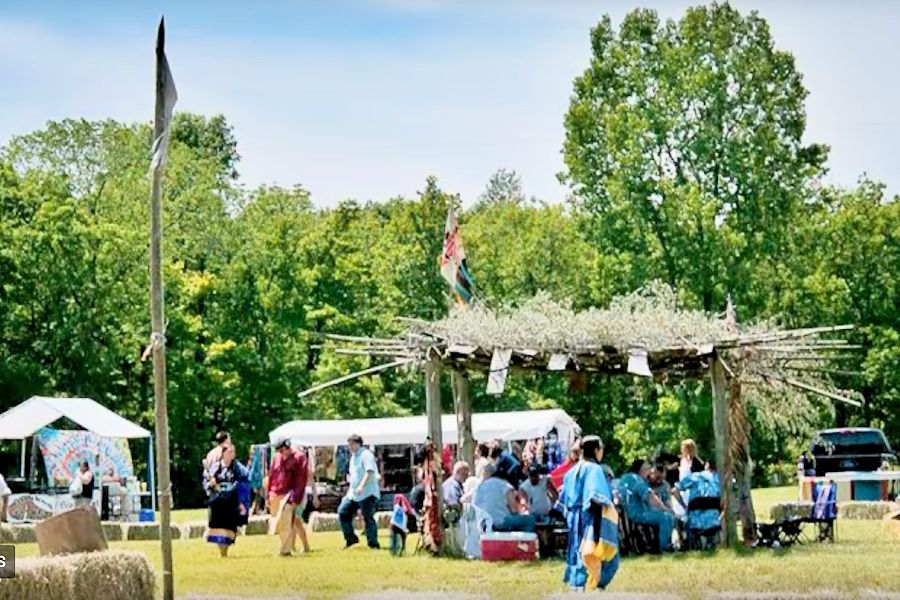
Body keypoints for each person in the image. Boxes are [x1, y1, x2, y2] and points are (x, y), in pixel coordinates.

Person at [560, 435, 619, 592]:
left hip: (573, 517)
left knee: (576, 550)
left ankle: (577, 585)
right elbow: (595, 495)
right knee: (598, 552)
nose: (602, 453)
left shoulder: (570, 472)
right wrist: (611, 507)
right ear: (595, 450)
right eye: (601, 449)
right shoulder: (595, 469)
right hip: (590, 516)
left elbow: (562, 498)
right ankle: (595, 585)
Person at [619, 460, 676, 553]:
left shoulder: (624, 478)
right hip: (638, 513)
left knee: (662, 515)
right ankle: (664, 547)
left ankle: (655, 544)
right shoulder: (636, 479)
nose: (649, 472)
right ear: (640, 469)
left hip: (625, 515)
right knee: (666, 517)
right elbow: (650, 496)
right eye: (647, 469)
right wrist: (665, 509)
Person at [204, 443, 249, 557]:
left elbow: (244, 482)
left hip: (231, 501)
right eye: (229, 452)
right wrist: (211, 484)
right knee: (218, 526)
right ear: (223, 453)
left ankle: (226, 550)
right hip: (218, 502)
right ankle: (222, 552)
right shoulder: (215, 467)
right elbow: (206, 482)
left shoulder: (238, 468)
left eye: (233, 452)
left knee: (229, 526)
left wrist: (241, 501)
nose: (231, 454)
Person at [267, 439, 309, 556]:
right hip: (275, 493)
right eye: (278, 451)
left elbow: (301, 480)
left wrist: (295, 499)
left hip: (290, 494)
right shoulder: (276, 458)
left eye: (282, 450)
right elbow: (271, 476)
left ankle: (285, 550)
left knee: (287, 521)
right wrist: (268, 495)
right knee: (282, 523)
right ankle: (291, 546)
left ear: (288, 447)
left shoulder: (299, 458)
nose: (280, 453)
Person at [338, 434, 380, 549]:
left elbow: (369, 471)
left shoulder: (366, 455)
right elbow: (355, 475)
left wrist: (361, 485)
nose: (349, 447)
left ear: (358, 444)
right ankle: (351, 539)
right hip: (354, 494)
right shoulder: (353, 457)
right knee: (343, 512)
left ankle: (373, 543)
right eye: (349, 445)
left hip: (367, 492)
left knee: (368, 517)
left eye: (351, 444)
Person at [473, 463, 535, 533]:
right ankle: (525, 542)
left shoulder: (481, 486)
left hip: (483, 523)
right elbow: (514, 508)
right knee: (530, 520)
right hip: (500, 521)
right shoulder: (505, 485)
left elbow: (476, 504)